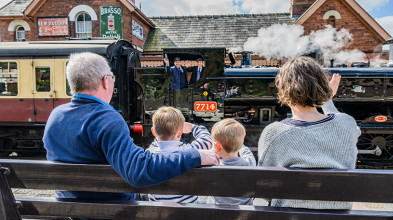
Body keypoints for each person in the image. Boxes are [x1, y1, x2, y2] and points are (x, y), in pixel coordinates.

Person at [43, 52, 219, 202]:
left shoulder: (55, 116)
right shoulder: (106, 118)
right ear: (106, 81)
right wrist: (195, 156)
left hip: (72, 207)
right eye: (112, 77)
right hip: (112, 211)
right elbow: (138, 170)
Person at [258, 56, 360, 210]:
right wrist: (327, 100)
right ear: (323, 87)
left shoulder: (274, 133)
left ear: (284, 89)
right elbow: (341, 123)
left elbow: (264, 187)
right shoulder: (348, 124)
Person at [147, 106, 213, 203]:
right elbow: (207, 140)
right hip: (189, 210)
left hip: (159, 211)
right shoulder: (188, 151)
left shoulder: (149, 153)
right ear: (180, 134)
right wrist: (192, 127)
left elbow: (157, 142)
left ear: (153, 132)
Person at [207, 118, 256, 205]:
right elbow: (247, 152)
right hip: (244, 213)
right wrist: (240, 142)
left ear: (216, 146)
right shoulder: (249, 163)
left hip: (216, 213)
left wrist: (214, 147)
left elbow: (210, 152)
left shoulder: (212, 165)